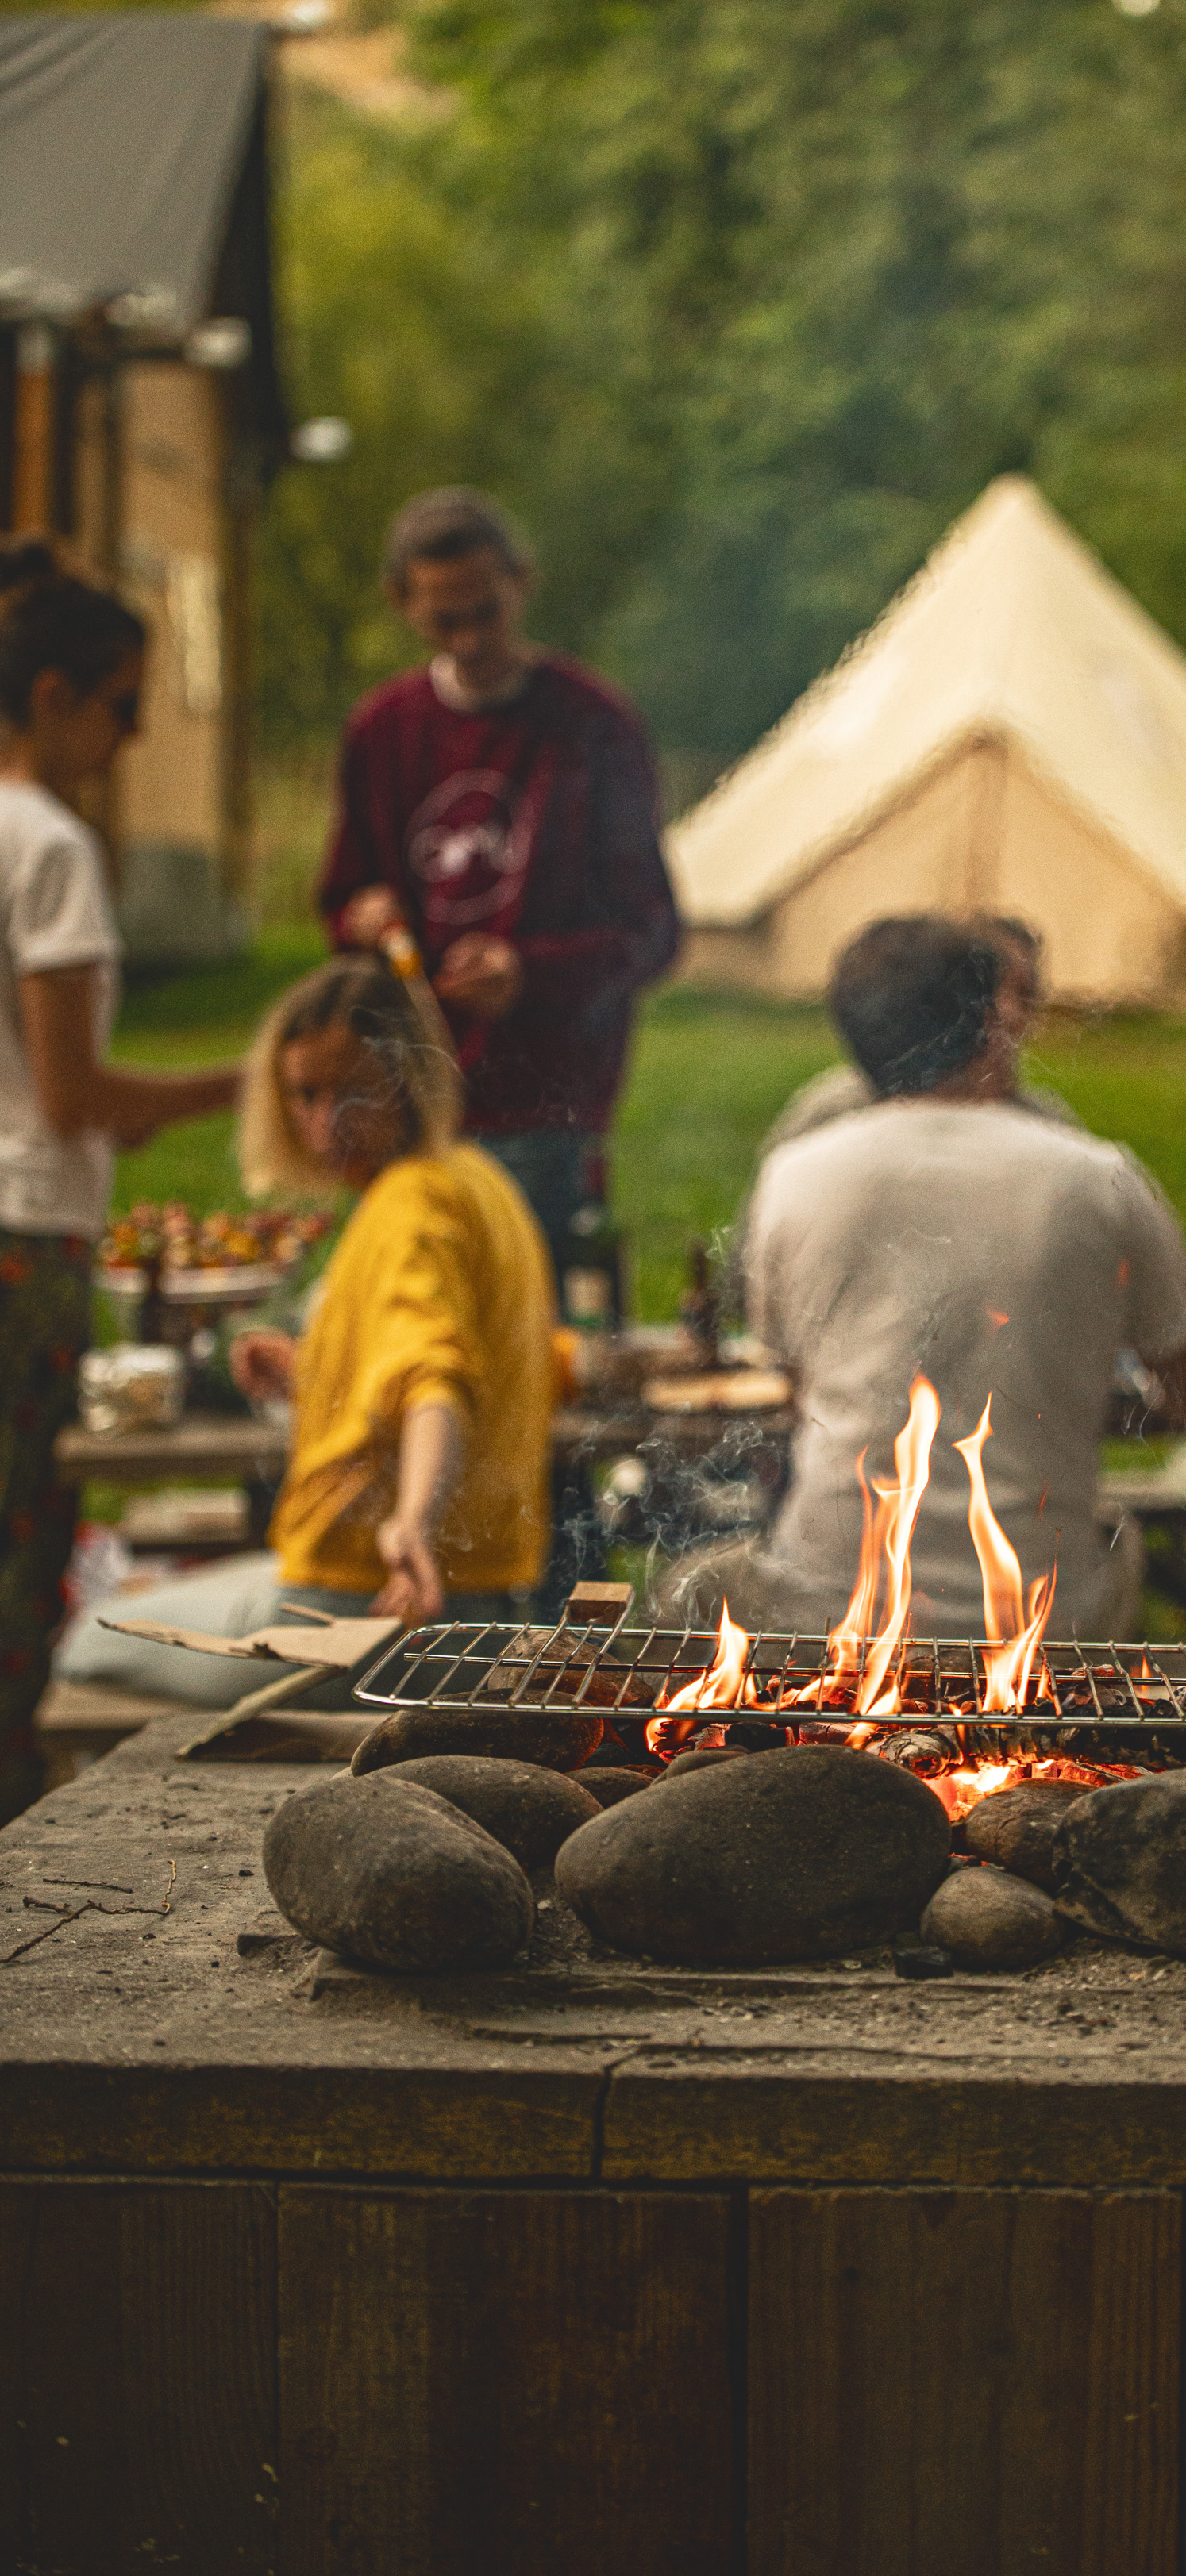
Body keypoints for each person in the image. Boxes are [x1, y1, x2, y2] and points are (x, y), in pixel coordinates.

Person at [663, 916, 1186, 1640]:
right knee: (1122, 1545)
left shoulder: (796, 1174)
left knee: (688, 1588)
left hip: (829, 1615)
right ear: (991, 1018)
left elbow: (796, 1377)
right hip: (1039, 1626)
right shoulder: (1098, 1177)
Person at [0, 537, 240, 1817]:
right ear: (52, 696)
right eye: (126, 705)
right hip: (23, 1233)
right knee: (25, 1531)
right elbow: (74, 1091)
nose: (136, 736)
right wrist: (250, 1078)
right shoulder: (45, 845)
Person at [315, 487, 680, 1287]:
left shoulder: (592, 724)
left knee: (536, 1337)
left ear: (522, 580)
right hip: (406, 1096)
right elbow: (342, 897)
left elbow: (654, 932)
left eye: (486, 611)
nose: (471, 638)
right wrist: (362, 922)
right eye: (446, 621)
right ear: (401, 602)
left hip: (547, 1101)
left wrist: (529, 973)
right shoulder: (383, 730)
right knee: (411, 1326)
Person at [229, 955, 560, 1624]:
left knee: (94, 1647)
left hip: (373, 1599)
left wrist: (412, 1521)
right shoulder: (472, 1177)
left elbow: (431, 1378)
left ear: (408, 1082)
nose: (327, 1125)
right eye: (306, 1095)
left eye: (354, 1091)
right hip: (489, 1586)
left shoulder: (410, 1204)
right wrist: (313, 1372)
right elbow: (453, 1361)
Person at [721, 913, 1079, 1314]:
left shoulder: (1050, 1128)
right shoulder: (828, 1114)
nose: (1010, 1013)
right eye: (994, 994)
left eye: (1025, 993)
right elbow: (747, 1277)